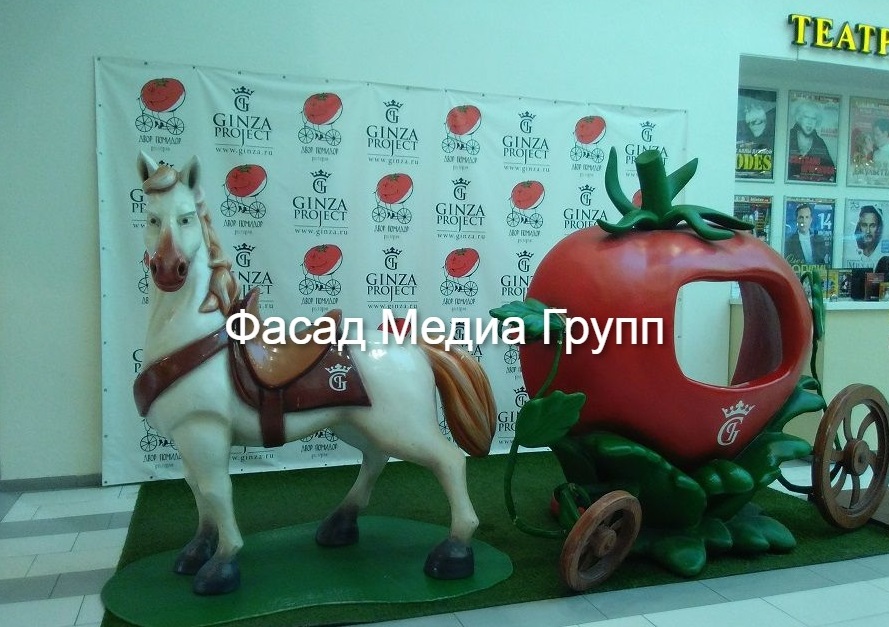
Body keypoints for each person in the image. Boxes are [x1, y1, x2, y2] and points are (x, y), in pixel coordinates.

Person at [787, 99, 836, 182]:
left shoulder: (819, 143)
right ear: (799, 118)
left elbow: (830, 172)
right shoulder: (788, 137)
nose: (809, 122)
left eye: (813, 118)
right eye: (806, 117)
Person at [845, 205, 884, 269]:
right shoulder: (852, 254)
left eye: (872, 225)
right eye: (864, 225)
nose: (868, 231)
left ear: (878, 228)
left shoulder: (883, 258)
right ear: (859, 227)